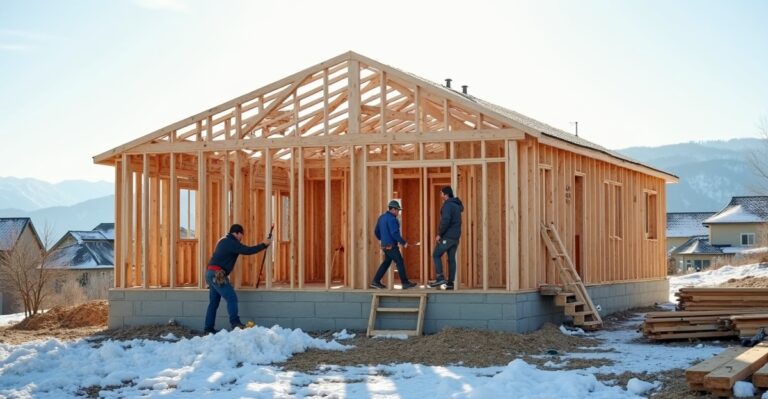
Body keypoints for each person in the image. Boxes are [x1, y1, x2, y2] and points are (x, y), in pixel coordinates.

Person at [204, 223, 271, 334]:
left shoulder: (223, 240)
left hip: (210, 273)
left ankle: (208, 328)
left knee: (214, 302)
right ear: (237, 233)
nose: (241, 238)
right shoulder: (231, 242)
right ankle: (235, 323)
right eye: (241, 235)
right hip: (217, 274)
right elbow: (248, 250)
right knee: (231, 297)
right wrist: (264, 244)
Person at [371, 200, 416, 289]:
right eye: (398, 210)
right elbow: (395, 233)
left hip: (384, 245)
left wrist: (382, 239)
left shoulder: (381, 217)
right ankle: (405, 283)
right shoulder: (392, 219)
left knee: (386, 263)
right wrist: (404, 242)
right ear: (393, 209)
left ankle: (375, 281)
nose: (398, 212)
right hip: (391, 246)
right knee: (399, 262)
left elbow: (376, 231)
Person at [429, 186, 464, 290]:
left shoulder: (448, 205)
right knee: (451, 259)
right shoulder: (457, 205)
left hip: (448, 236)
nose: (441, 196)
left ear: (446, 194)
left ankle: (440, 277)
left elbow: (445, 220)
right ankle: (450, 283)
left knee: (436, 254)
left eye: (441, 194)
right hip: (455, 237)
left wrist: (439, 234)